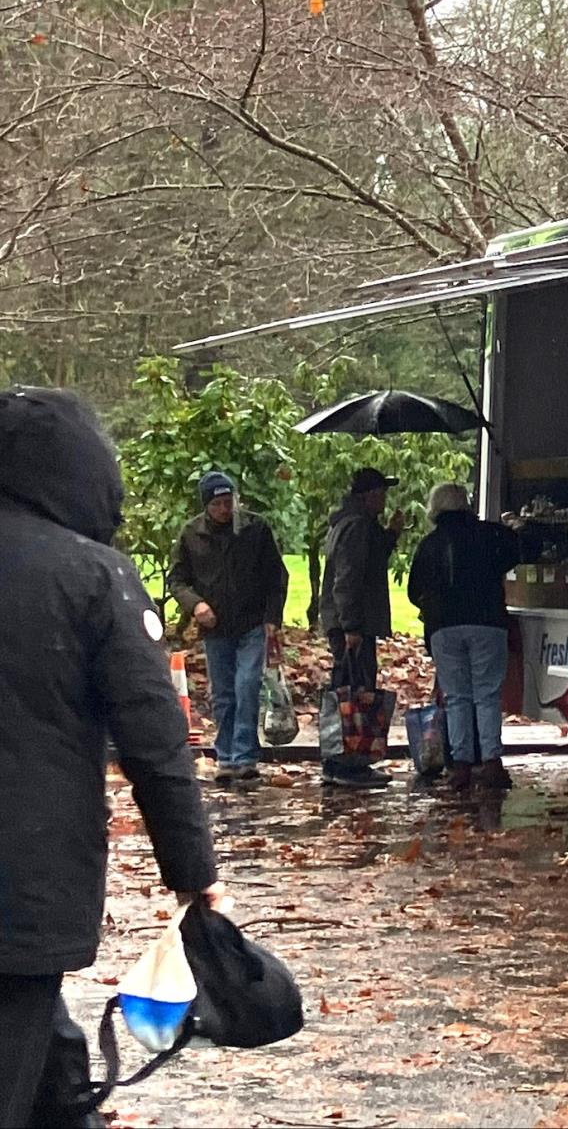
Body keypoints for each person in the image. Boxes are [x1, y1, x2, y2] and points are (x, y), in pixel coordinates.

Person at [0, 389, 220, 1123]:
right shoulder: (93, 576)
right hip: (21, 890)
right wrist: (194, 878)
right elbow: (155, 743)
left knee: (53, 1072)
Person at [166, 470, 289, 783]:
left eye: (229, 501)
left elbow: (277, 576)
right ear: (207, 505)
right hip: (216, 626)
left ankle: (245, 755)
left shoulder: (255, 529)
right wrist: (195, 604)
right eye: (219, 503)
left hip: (251, 622)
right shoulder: (191, 534)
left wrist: (272, 618)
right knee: (223, 694)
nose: (226, 509)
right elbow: (177, 579)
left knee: (247, 685)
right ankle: (226, 755)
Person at [407, 482, 521, 794]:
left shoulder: (429, 545)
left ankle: (460, 766)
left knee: (456, 696)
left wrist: (435, 605)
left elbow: (414, 591)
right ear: (466, 505)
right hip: (487, 623)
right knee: (486, 694)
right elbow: (518, 551)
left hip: (444, 627)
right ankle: (492, 762)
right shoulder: (489, 535)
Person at [320, 466, 403, 790]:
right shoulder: (356, 527)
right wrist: (351, 626)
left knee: (347, 690)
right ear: (368, 496)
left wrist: (391, 535)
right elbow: (348, 578)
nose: (384, 498)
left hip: (346, 621)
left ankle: (342, 760)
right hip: (351, 624)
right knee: (355, 693)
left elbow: (369, 560)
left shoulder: (352, 523)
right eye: (381, 492)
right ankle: (348, 763)